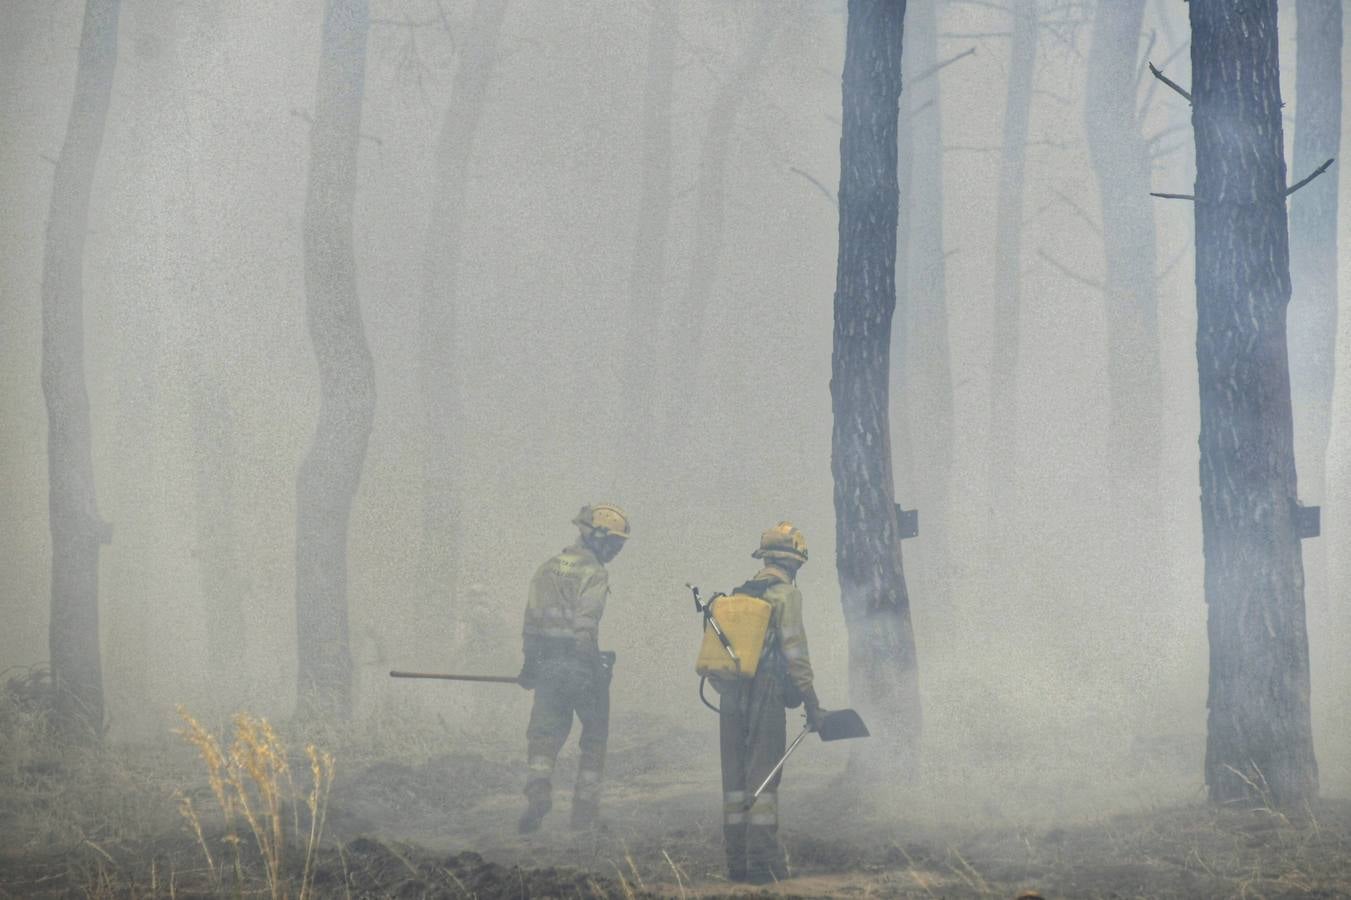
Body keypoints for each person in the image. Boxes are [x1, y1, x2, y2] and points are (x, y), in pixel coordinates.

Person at [710, 521, 827, 884]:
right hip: (766, 691)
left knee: (734, 779)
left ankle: (737, 863)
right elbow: (795, 653)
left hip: (731, 691)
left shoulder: (738, 595)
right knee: (763, 776)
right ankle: (762, 862)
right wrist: (811, 700)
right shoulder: (786, 595)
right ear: (794, 562)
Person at [516, 503, 630, 833]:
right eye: (615, 545)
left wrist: (529, 665)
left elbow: (531, 622)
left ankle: (538, 790)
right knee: (594, 736)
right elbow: (585, 628)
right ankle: (584, 811)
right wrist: (595, 667)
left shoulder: (547, 567)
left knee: (543, 735)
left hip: (548, 665)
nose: (616, 552)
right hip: (579, 666)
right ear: (598, 537)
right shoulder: (594, 571)